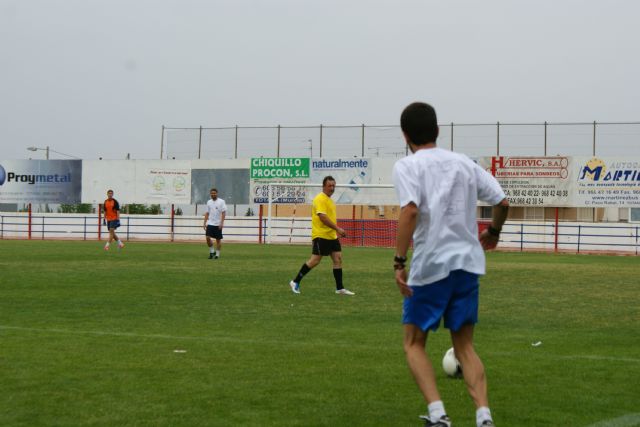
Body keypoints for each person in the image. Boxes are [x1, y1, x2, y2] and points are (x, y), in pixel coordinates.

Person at [392, 102, 509, 427]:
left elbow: (410, 211)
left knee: (414, 343)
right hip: (468, 264)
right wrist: (494, 232)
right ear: (437, 130)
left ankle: (438, 415)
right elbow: (502, 200)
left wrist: (399, 261)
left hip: (432, 265)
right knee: (465, 346)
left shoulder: (407, 166)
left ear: (405, 135)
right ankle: (484, 417)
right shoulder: (462, 163)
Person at [289, 176, 355, 296]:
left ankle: (340, 288)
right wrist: (338, 229)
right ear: (323, 186)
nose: (332, 188)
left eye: (334, 186)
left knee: (338, 259)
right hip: (321, 235)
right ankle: (295, 281)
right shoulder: (320, 199)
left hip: (331, 236)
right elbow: (323, 217)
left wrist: (335, 231)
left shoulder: (330, 200)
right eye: (329, 186)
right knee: (315, 261)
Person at [203, 187, 227, 259]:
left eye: (214, 193)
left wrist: (221, 223)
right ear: (210, 194)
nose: (213, 194)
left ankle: (217, 255)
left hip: (218, 224)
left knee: (218, 240)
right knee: (207, 238)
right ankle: (212, 252)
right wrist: (204, 222)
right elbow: (207, 213)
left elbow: (223, 213)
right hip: (210, 223)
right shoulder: (209, 202)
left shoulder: (221, 201)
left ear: (217, 193)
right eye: (212, 193)